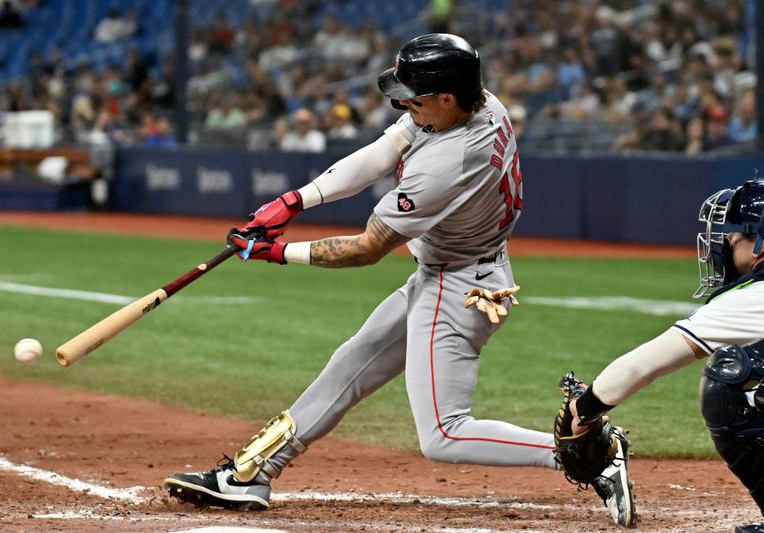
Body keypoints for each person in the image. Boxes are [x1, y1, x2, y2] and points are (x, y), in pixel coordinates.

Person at [163, 33, 632, 527]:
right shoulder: (478, 102)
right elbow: (385, 149)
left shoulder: (446, 164)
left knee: (444, 434)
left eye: (415, 96)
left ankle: (588, 453)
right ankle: (250, 473)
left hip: (458, 288)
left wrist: (275, 252)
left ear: (446, 98)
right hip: (454, 271)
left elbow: (367, 248)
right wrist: (296, 201)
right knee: (349, 365)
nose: (404, 103)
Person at [564, 178, 764, 533]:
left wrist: (585, 407)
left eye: (736, 234)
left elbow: (647, 363)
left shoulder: (749, 298)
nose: (726, 241)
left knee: (732, 379)